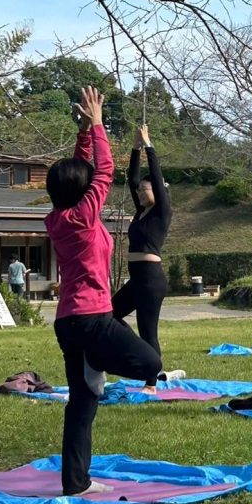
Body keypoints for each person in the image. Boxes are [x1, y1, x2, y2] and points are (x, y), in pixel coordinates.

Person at [46, 87, 161, 497]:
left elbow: (81, 170)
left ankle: (75, 484)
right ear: (83, 192)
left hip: (67, 322)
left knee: (82, 403)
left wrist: (82, 132)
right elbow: (104, 169)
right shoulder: (83, 214)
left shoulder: (57, 217)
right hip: (93, 319)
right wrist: (97, 124)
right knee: (150, 363)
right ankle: (98, 358)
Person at [112, 123, 172, 395]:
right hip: (137, 278)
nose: (140, 193)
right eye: (139, 192)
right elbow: (132, 179)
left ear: (156, 192)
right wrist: (135, 147)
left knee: (149, 330)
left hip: (151, 280)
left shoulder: (162, 212)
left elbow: (155, 180)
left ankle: (152, 382)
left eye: (144, 191)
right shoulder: (140, 212)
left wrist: (149, 146)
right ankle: (145, 358)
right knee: (109, 315)